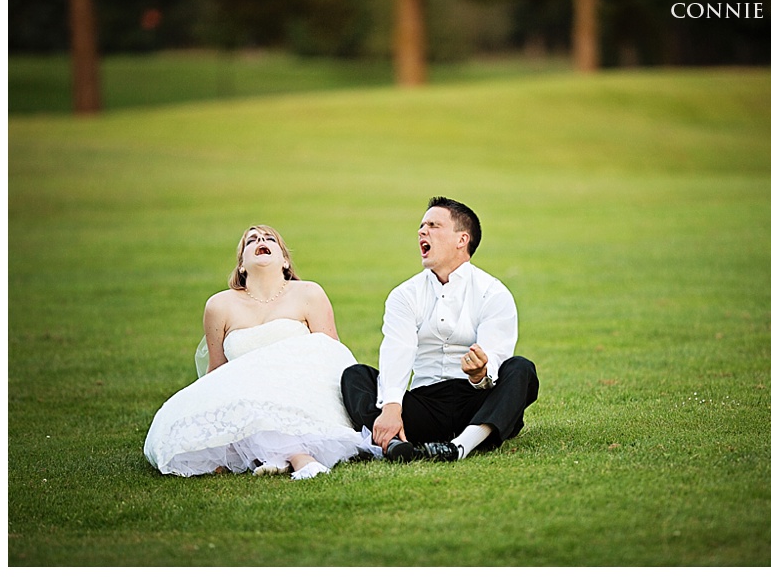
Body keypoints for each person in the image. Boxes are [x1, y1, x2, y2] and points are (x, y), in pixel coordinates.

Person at [144, 225, 376, 480]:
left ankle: (295, 458)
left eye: (269, 239)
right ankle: (285, 456)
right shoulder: (219, 306)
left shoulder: (309, 293)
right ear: (241, 265)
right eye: (251, 240)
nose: (261, 240)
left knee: (277, 397)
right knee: (184, 420)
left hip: (301, 388)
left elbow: (330, 352)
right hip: (247, 395)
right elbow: (218, 370)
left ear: (285, 260)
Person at [341, 197, 539, 462]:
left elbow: (495, 356)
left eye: (433, 225)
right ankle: (395, 443)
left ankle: (459, 447)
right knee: (355, 376)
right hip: (424, 405)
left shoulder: (493, 293)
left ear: (462, 240)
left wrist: (480, 373)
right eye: (422, 226)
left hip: (477, 404)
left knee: (521, 369)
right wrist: (392, 406)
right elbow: (398, 349)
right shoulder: (404, 294)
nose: (422, 231)